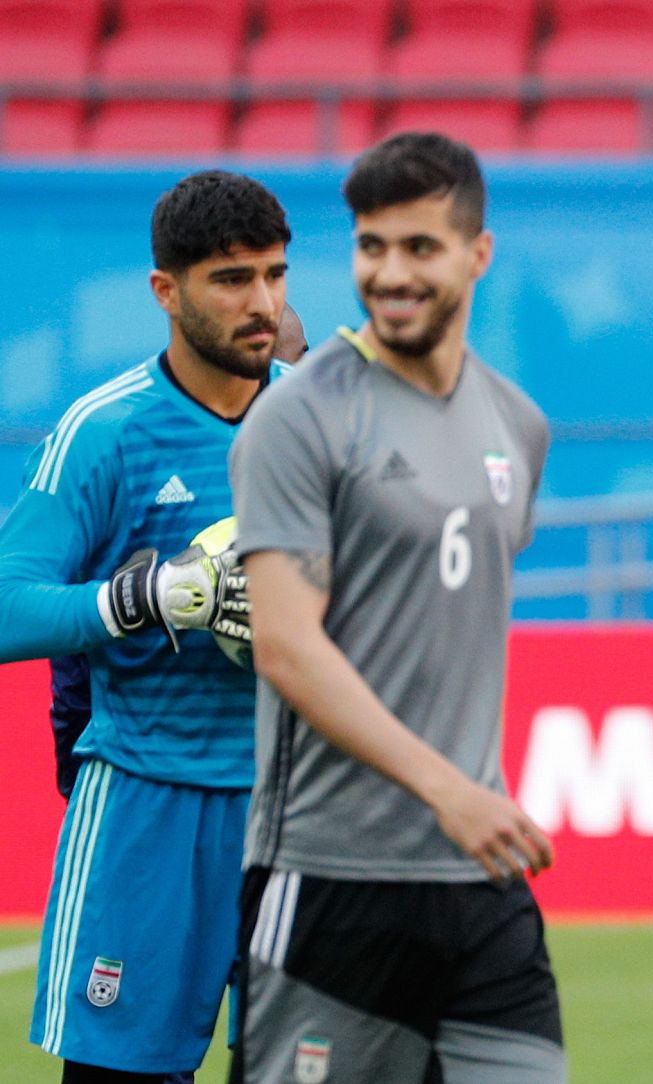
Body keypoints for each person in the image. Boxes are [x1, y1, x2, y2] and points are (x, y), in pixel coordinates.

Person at [227, 131, 565, 1083]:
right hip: (333, 874)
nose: (391, 271)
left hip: (481, 881)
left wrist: (469, 795)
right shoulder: (298, 419)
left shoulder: (518, 423)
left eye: (419, 247)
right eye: (372, 246)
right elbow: (288, 650)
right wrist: (448, 790)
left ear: (477, 255)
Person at [0, 170, 291, 1082]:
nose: (264, 304)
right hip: (147, 806)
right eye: (232, 279)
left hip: (303, 813)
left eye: (276, 276)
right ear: (165, 291)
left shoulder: (323, 418)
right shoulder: (105, 430)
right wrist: (146, 598)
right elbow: (9, 603)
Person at [44, 303, 308, 806]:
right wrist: (151, 597)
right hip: (147, 757)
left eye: (292, 364)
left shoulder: (321, 440)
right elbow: (48, 612)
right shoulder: (124, 436)